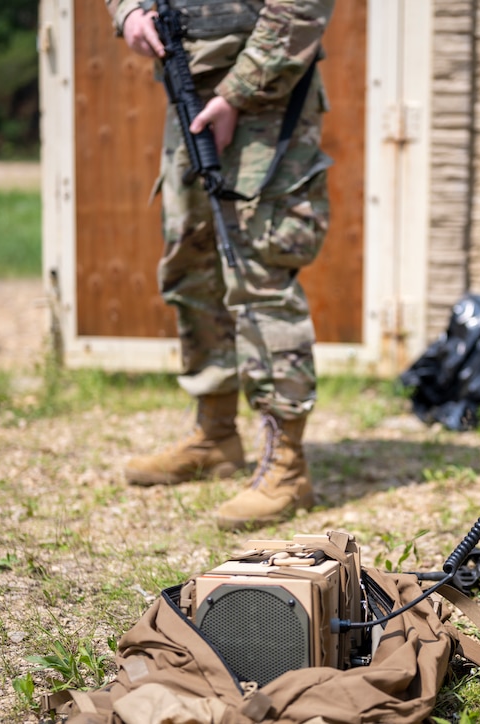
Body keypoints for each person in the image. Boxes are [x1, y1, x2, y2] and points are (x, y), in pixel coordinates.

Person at [104, 0, 334, 529]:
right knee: (192, 263)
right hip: (186, 91)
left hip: (269, 100)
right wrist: (128, 13)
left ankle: (287, 465)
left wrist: (236, 95)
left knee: (258, 270)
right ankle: (216, 434)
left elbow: (301, 8)